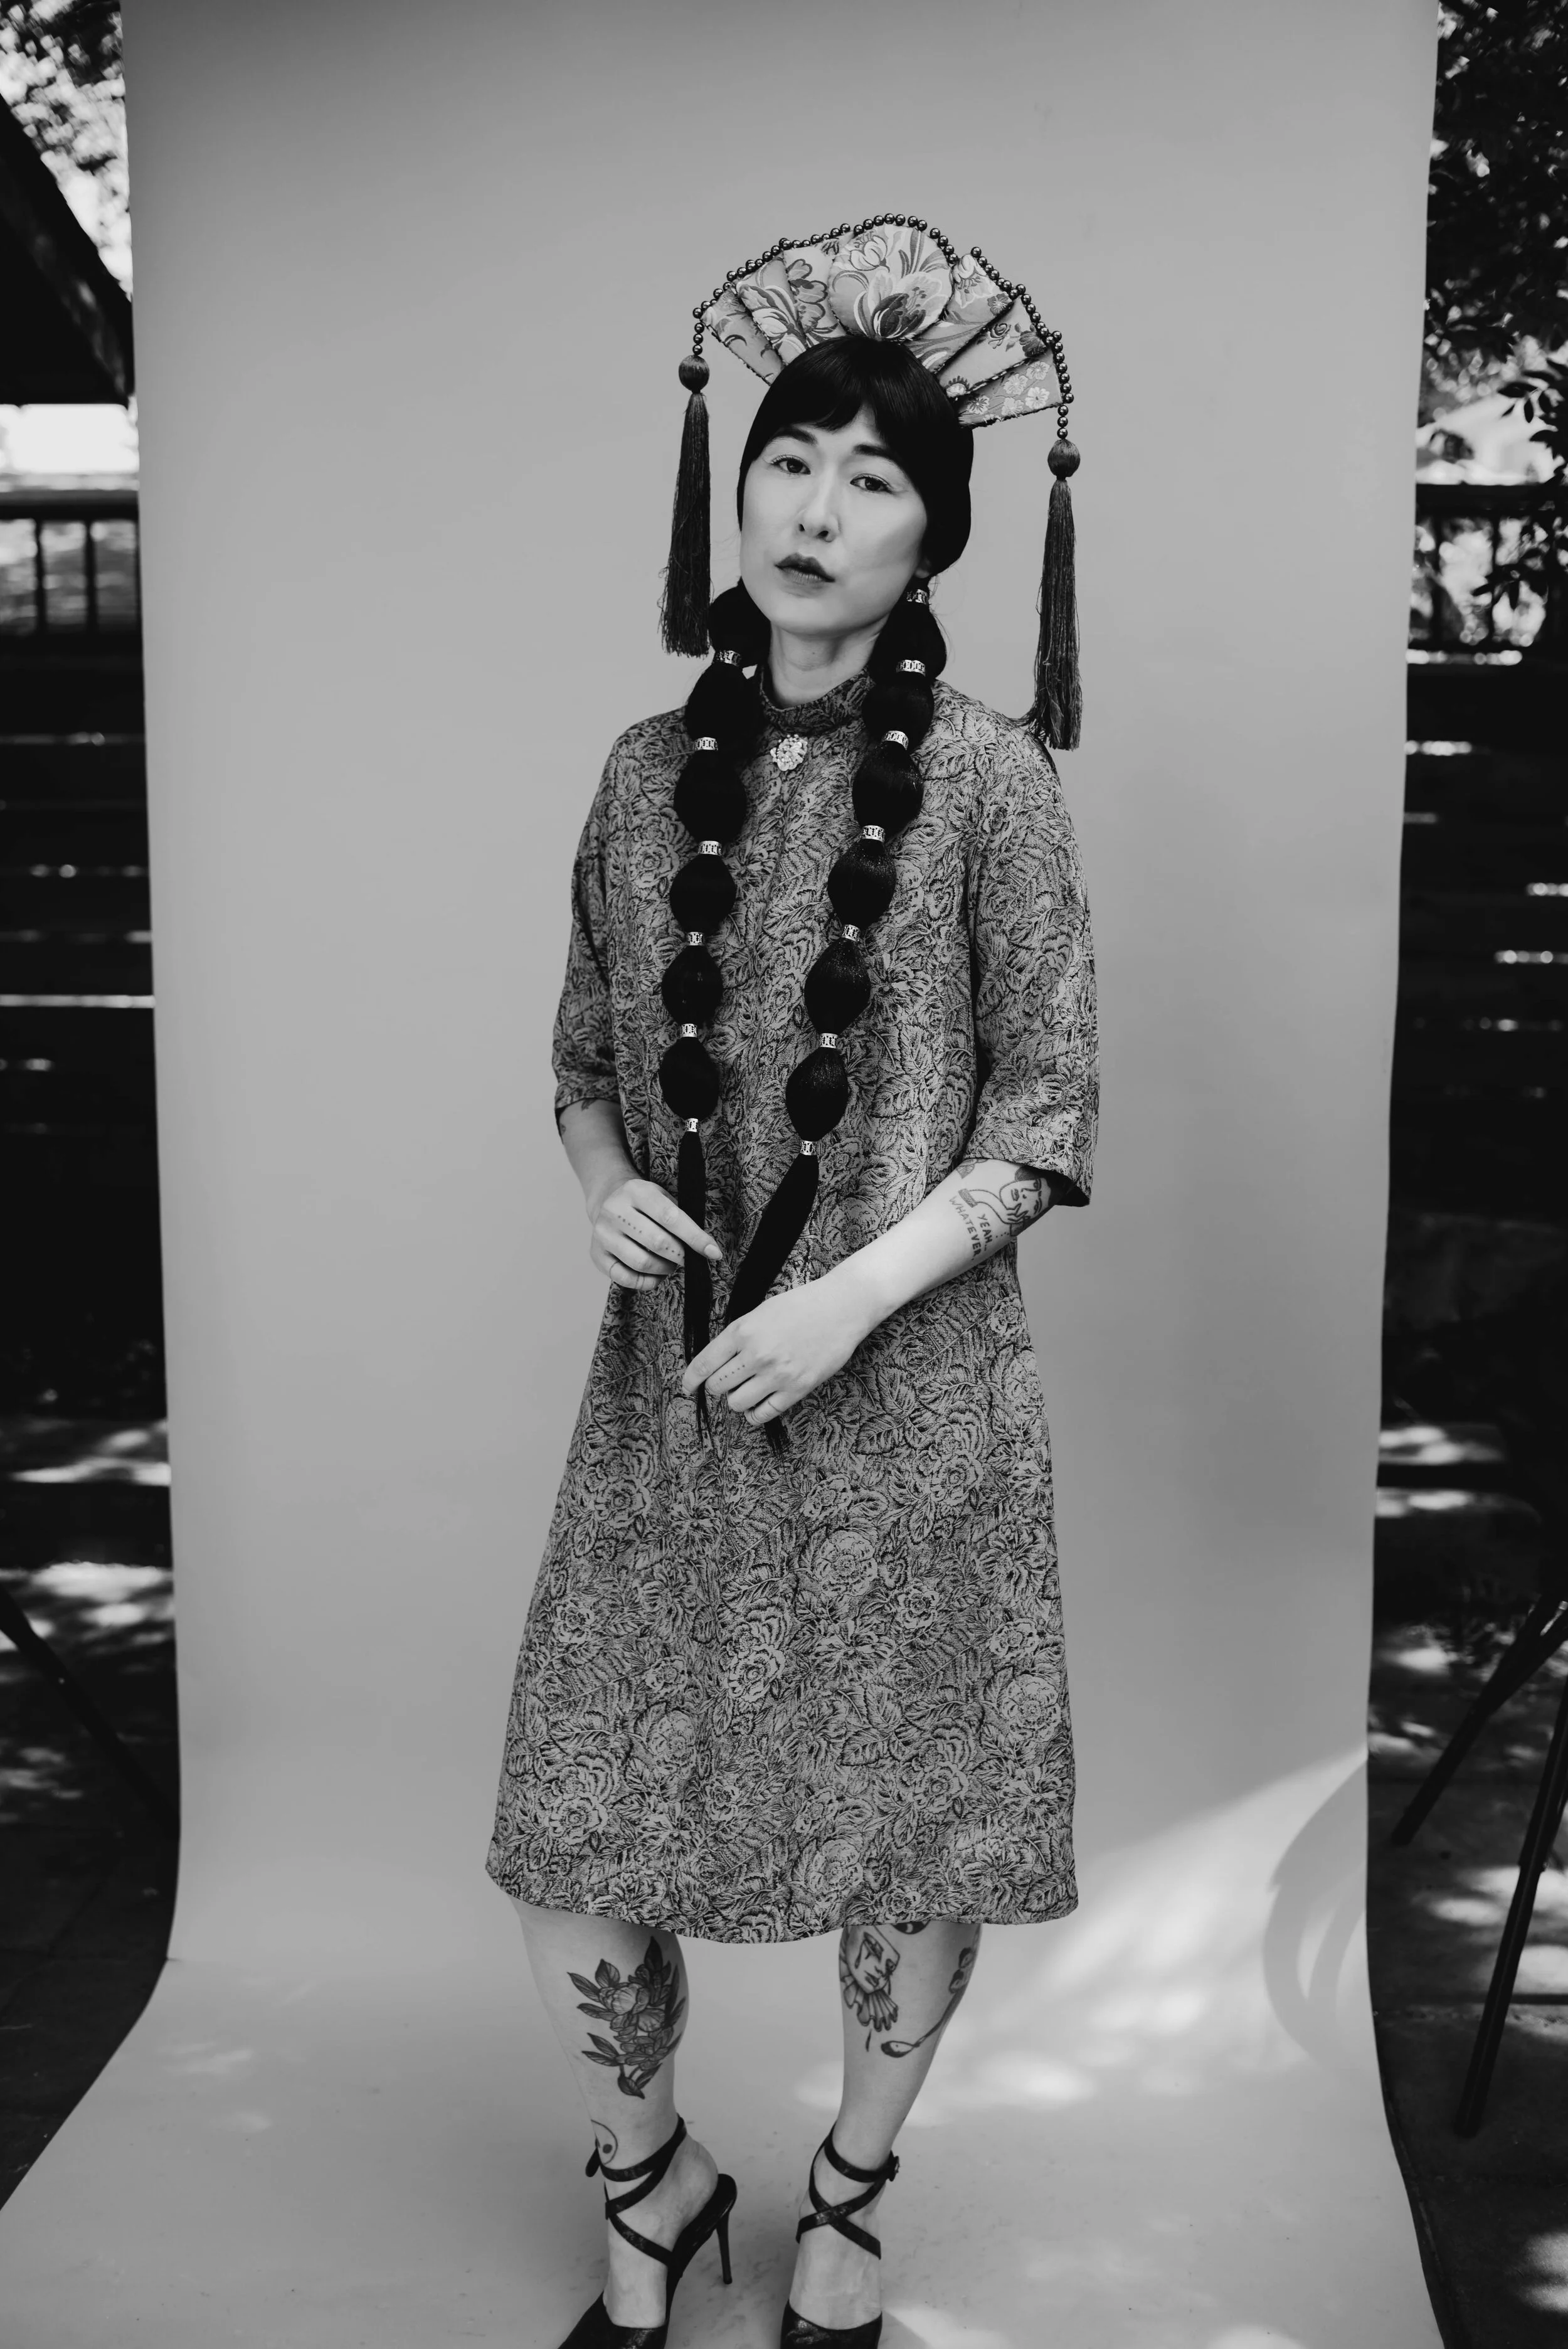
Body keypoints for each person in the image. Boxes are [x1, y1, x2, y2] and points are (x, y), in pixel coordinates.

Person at [485, 216, 1098, 2349]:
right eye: (788, 460)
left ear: (934, 539)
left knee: (910, 1831)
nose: (816, 508)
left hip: (909, 1392)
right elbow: (584, 1058)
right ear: (730, 492)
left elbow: (1046, 1115)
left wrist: (846, 1299)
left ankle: (847, 2192)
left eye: (871, 477)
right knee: (576, 1825)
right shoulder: (638, 774)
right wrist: (602, 1185)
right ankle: (651, 2178)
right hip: (669, 1387)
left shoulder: (995, 782)